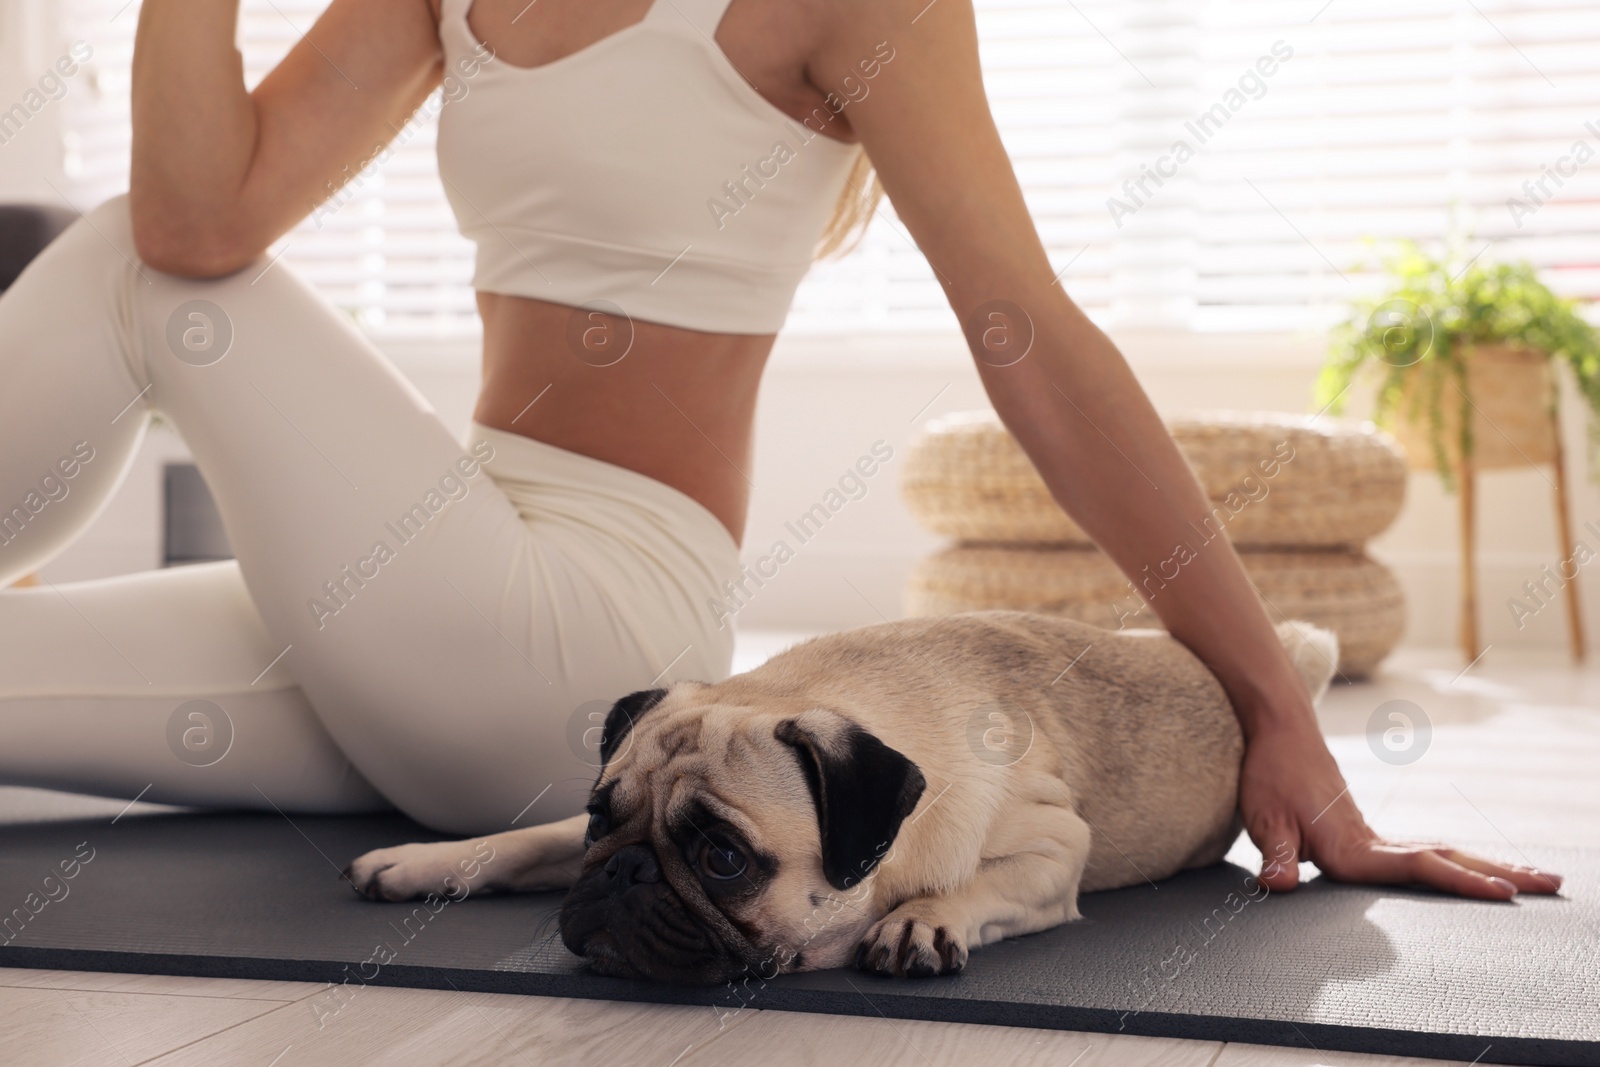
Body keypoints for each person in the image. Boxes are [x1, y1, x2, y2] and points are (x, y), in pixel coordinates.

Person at [0, 0, 1558, 902]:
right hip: (426, 602)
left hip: (590, 650)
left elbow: (1036, 339)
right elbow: (229, 198)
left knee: (140, 255)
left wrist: (1276, 706)